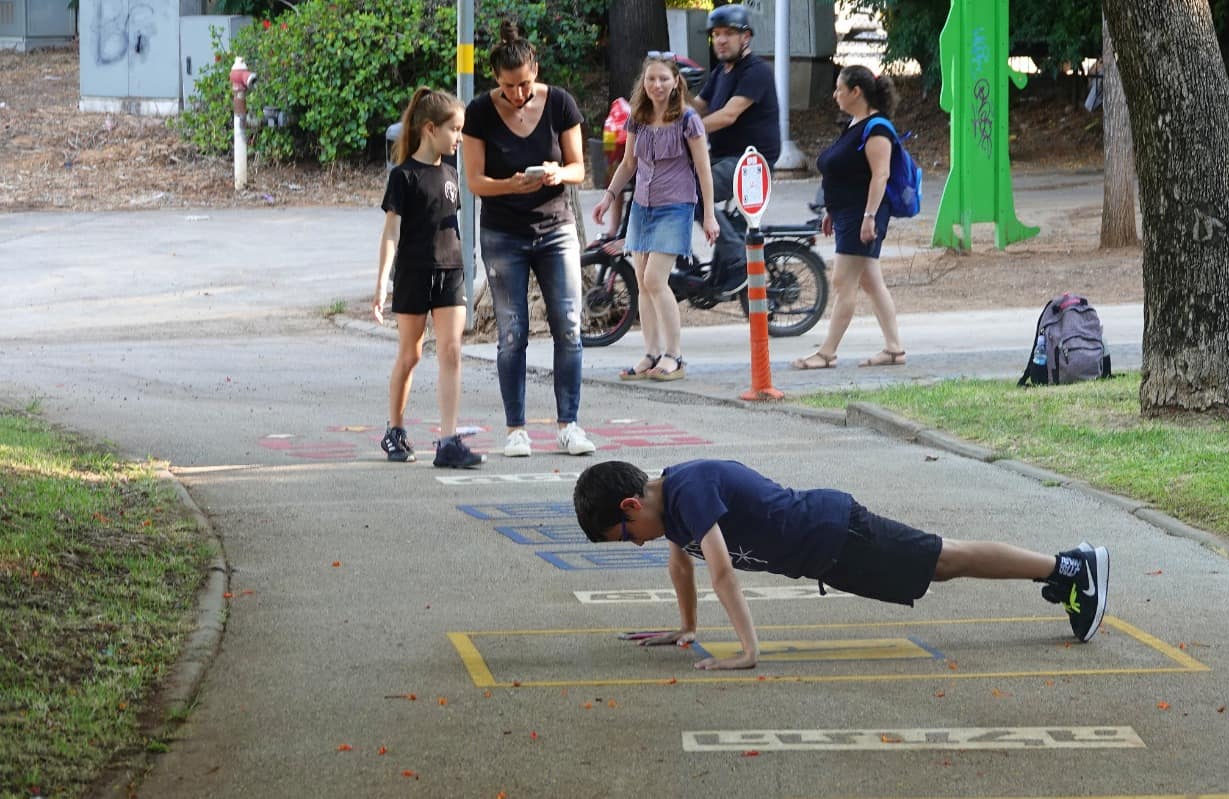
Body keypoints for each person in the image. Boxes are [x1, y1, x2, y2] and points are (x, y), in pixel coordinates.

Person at [573, 459, 1110, 670]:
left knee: (946, 558)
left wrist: (748, 650)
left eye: (625, 535)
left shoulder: (687, 489)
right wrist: (687, 628)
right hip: (826, 555)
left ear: (630, 505)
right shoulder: (667, 513)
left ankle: (1069, 566)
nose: (635, 543)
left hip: (836, 531)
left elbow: (719, 570)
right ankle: (1060, 571)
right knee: (943, 564)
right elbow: (681, 566)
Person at [461, 20, 596, 457]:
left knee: (568, 326)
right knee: (513, 331)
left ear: (535, 70)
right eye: (508, 87)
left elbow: (579, 168)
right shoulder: (480, 111)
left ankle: (569, 424)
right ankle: (515, 428)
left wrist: (558, 173)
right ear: (495, 81)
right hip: (503, 233)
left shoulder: (559, 103)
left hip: (555, 228)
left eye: (524, 84)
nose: (517, 95)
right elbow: (476, 182)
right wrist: (510, 185)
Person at [591, 54, 720, 383]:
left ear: (676, 82)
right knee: (642, 284)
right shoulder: (638, 116)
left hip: (675, 207)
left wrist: (709, 216)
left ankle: (674, 356)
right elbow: (628, 164)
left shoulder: (688, 119)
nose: (657, 85)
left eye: (664, 79)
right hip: (642, 207)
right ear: (643, 83)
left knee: (654, 280)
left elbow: (703, 169)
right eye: (651, 79)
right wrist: (608, 197)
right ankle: (650, 353)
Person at [374, 87, 484, 469]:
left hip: (450, 271)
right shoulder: (403, 177)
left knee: (451, 350)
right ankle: (396, 429)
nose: (459, 137)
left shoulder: (452, 174)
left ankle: (449, 439)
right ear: (429, 129)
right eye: (454, 130)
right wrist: (381, 283)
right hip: (413, 273)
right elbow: (391, 232)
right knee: (411, 354)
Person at [793, 66, 907, 370]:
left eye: (839, 89)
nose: (835, 95)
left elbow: (880, 176)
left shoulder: (878, 128)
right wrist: (832, 210)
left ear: (856, 92)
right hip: (847, 213)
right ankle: (894, 349)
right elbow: (845, 173)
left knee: (843, 283)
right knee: (870, 282)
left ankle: (827, 352)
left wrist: (869, 217)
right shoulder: (855, 124)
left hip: (863, 214)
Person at [688, 2, 780, 276]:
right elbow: (698, 107)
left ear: (746, 37)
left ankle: (737, 255)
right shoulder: (721, 72)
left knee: (690, 191)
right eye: (716, 34)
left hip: (750, 163)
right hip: (725, 158)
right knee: (674, 180)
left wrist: (686, 132)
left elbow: (728, 115)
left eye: (728, 33)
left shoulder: (756, 71)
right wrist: (664, 110)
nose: (721, 40)